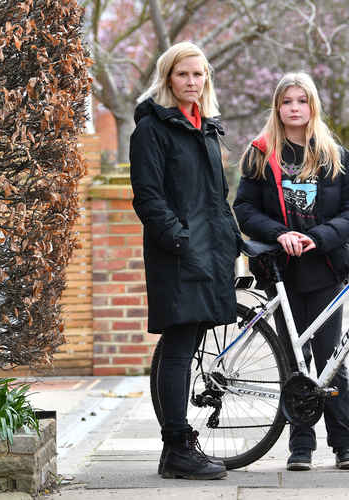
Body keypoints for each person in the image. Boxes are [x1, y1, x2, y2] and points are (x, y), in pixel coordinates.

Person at [233, 72, 349, 472]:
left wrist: (320, 237)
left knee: (330, 358)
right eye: (287, 101)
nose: (295, 108)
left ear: (313, 106)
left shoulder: (334, 155)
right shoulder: (259, 154)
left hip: (325, 269)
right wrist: (281, 234)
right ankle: (301, 446)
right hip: (281, 271)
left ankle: (344, 444)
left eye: (302, 101)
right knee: (294, 359)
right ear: (277, 107)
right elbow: (245, 209)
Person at [129, 41, 242, 480]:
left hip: (209, 253)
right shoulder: (152, 129)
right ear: (167, 78)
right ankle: (177, 448)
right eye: (183, 75)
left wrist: (234, 241)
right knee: (178, 348)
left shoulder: (207, 129)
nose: (192, 82)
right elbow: (148, 198)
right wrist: (179, 241)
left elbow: (217, 198)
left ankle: (175, 448)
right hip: (177, 255)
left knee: (186, 345)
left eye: (198, 75)